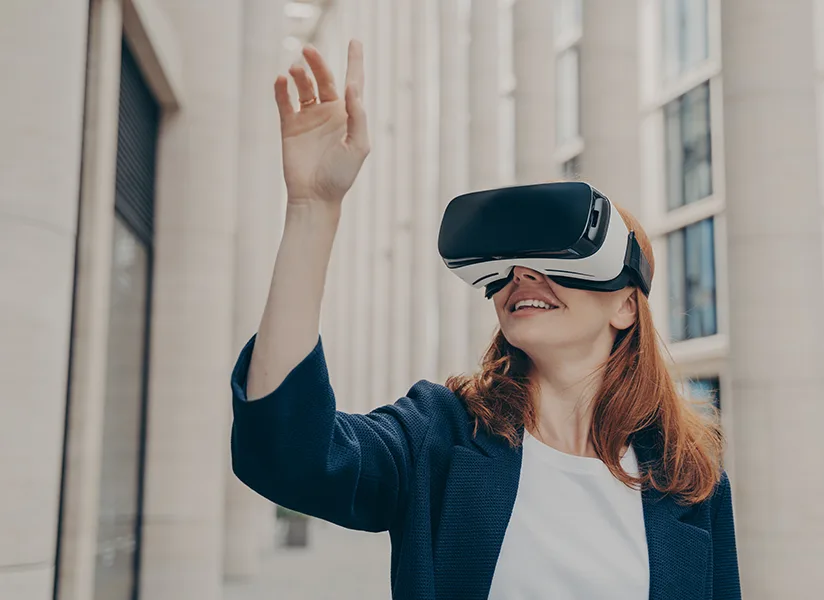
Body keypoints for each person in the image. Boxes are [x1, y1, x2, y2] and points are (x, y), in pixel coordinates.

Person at [230, 39, 741, 600]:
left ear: (625, 305)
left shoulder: (692, 484)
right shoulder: (441, 436)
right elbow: (289, 457)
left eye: (557, 261)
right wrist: (313, 208)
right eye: (509, 266)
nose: (523, 274)